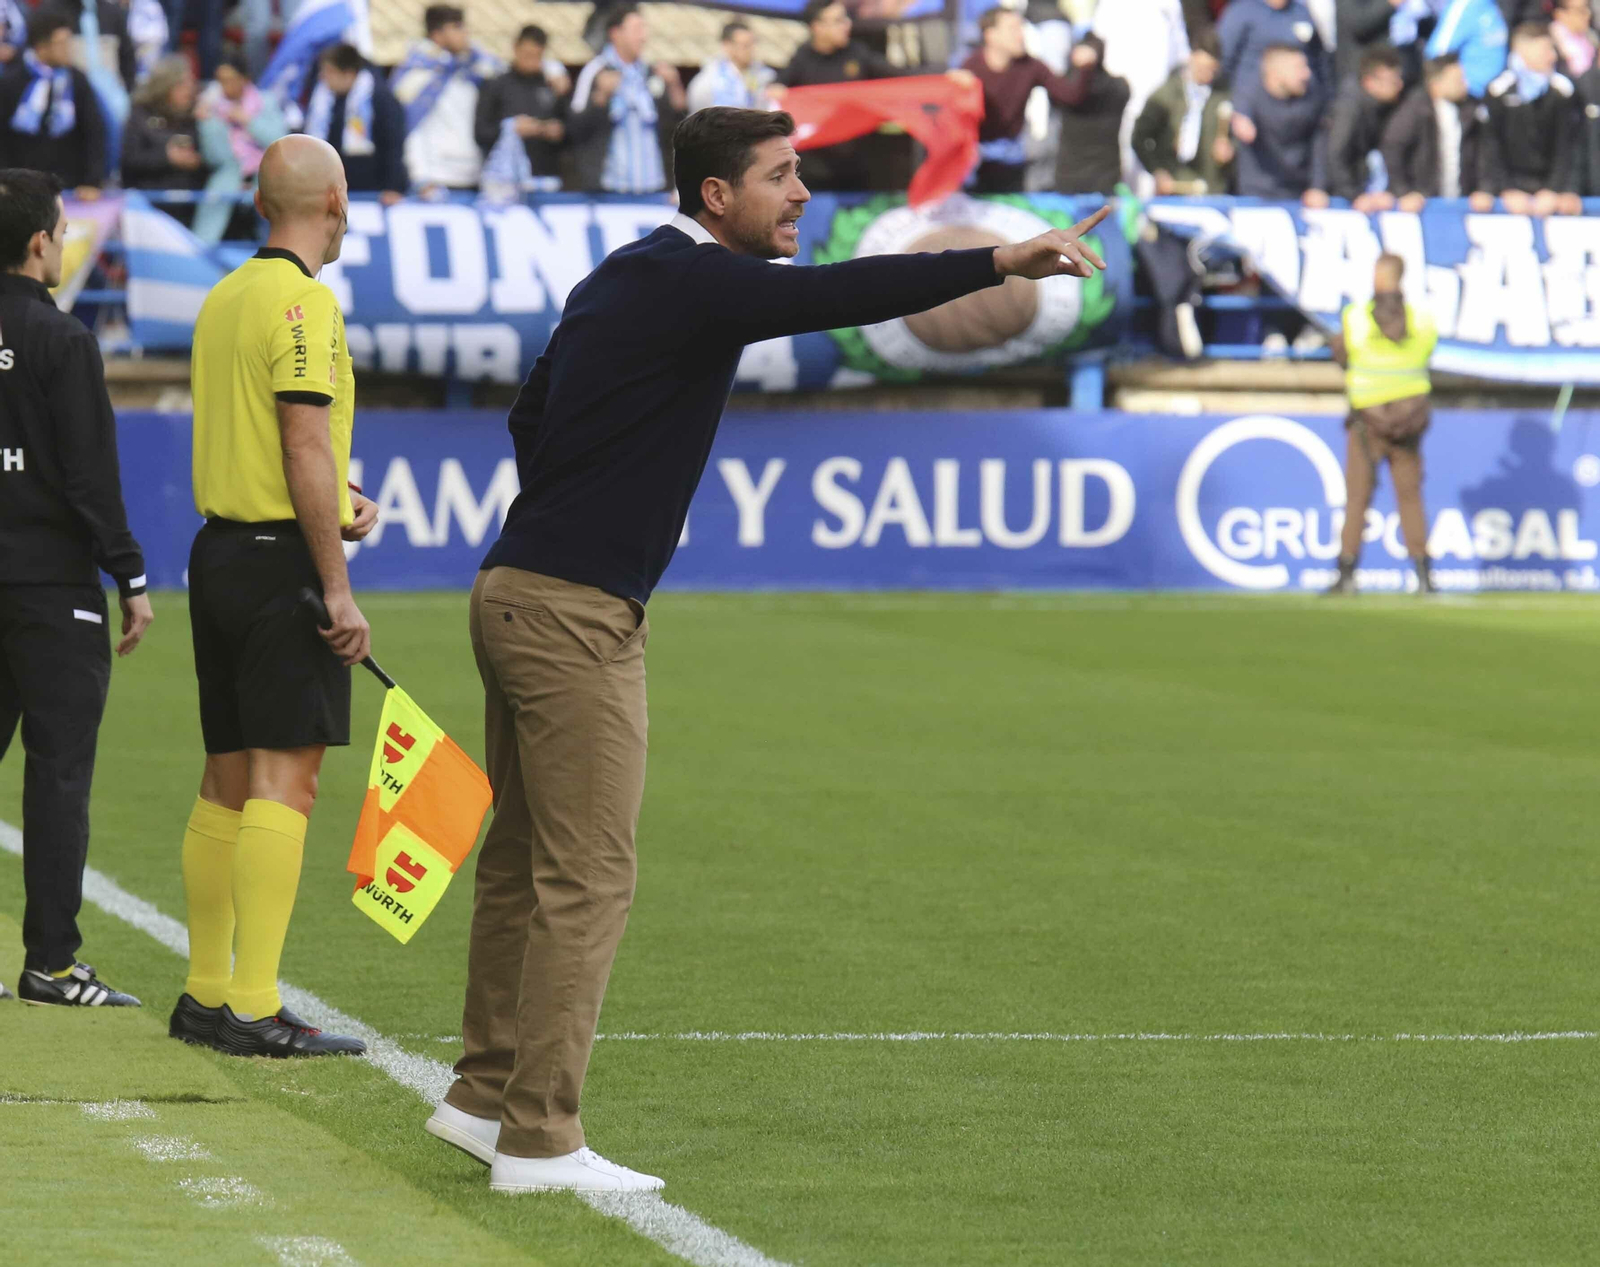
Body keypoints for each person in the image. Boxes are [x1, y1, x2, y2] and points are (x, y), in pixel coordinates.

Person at [423, 105, 1110, 1195]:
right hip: (572, 613)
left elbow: (529, 413)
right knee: (587, 874)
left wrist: (577, 496)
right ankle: (539, 1139)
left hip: (513, 586)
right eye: (781, 176)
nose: (800, 194)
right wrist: (997, 259)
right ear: (716, 196)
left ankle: (481, 1095)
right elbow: (838, 295)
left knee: (520, 861)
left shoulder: (624, 273)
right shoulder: (698, 281)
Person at [169, 134, 379, 1058]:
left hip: (218, 553)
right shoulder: (307, 302)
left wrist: (339, 494)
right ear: (335, 200)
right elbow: (298, 440)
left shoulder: (225, 295)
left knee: (225, 775)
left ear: (260, 203)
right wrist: (336, 586)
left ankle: (205, 992)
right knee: (287, 779)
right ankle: (254, 1006)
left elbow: (279, 440)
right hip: (277, 563)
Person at [0, 167, 152, 1007]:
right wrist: (130, 574)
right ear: (38, 244)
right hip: (53, 589)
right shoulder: (64, 341)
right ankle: (51, 965)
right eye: (60, 231)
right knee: (57, 774)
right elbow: (91, 477)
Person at [1327, 253, 1439, 595]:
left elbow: (1341, 354)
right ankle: (1423, 576)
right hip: (1410, 418)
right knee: (1410, 496)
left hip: (1367, 419)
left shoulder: (1356, 317)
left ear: (1377, 276)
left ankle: (1346, 574)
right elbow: (1427, 353)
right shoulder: (1421, 318)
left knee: (1358, 496)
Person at [768, 0, 913, 190]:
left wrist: (942, 78)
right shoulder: (802, 58)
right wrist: (777, 91)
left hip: (857, 168)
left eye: (846, 18)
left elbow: (900, 76)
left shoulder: (857, 53)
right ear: (818, 27)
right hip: (812, 172)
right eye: (838, 20)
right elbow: (776, 90)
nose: (847, 24)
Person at [962, 6, 1082, 194]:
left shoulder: (1030, 66)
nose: (1021, 35)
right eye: (1013, 29)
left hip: (1013, 161)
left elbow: (1070, 95)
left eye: (1021, 28)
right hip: (972, 165)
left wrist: (1085, 66)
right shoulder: (970, 68)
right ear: (991, 35)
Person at [569, 6, 684, 195]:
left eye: (644, 29)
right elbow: (573, 127)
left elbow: (676, 125)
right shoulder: (595, 70)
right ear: (616, 33)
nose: (643, 37)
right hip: (609, 189)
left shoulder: (651, 72)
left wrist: (674, 86)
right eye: (637, 29)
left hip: (653, 186)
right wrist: (600, 98)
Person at [393, 5, 503, 194]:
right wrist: (420, 177)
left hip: (475, 176)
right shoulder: (417, 75)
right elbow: (409, 128)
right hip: (434, 179)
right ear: (437, 34)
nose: (465, 33)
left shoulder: (473, 69)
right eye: (457, 27)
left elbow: (512, 72)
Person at [0, 10, 107, 196]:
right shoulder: (11, 81)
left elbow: (94, 131)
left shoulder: (77, 80)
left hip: (68, 185)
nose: (68, 48)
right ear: (41, 47)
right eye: (62, 43)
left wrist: (93, 181)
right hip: (18, 186)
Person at [1482, 22, 1582, 215]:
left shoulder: (1563, 91)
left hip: (1551, 191)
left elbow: (1568, 147)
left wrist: (1555, 189)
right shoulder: (1497, 91)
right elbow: (1490, 145)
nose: (1553, 56)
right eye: (1546, 50)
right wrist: (1506, 189)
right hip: (1511, 191)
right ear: (1522, 52)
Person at [1381, 53, 1493, 209]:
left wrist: (1485, 189)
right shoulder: (1414, 110)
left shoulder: (1473, 110)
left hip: (1462, 203)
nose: (1465, 85)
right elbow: (1393, 148)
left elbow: (1486, 153)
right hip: (1424, 205)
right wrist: (1403, 192)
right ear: (1436, 84)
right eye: (1457, 80)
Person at [194, 56, 287, 243]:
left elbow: (280, 141)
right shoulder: (211, 107)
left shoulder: (266, 101)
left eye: (229, 79)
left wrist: (247, 121)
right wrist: (206, 124)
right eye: (220, 80)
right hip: (229, 176)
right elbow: (214, 157)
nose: (224, 85)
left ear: (245, 79)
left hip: (265, 175)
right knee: (210, 220)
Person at [1133, 31, 1236, 195]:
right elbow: (1139, 137)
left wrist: (1230, 148)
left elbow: (1236, 136)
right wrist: (1157, 170)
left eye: (1212, 70)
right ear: (1191, 58)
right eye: (1202, 68)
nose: (1207, 75)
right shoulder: (1165, 95)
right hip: (1174, 185)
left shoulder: (1223, 96)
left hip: (1211, 188)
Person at [305, 43, 407, 205]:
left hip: (373, 191)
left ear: (348, 74)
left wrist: (393, 186)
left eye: (329, 72)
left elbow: (393, 145)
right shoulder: (324, 101)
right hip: (336, 189)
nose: (323, 77)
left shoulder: (380, 98)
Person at [1231, 43, 1331, 203]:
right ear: (1275, 73)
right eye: (1299, 68)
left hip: (1300, 194)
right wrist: (1241, 122)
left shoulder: (1312, 96)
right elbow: (1240, 113)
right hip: (1255, 194)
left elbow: (1319, 143)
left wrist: (1318, 187)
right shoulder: (1250, 93)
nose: (1307, 73)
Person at [474, 24, 568, 191]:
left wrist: (555, 130)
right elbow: (481, 132)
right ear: (516, 48)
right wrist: (511, 128)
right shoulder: (496, 85)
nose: (531, 61)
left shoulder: (552, 85)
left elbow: (572, 130)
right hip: (504, 182)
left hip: (545, 179)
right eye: (527, 55)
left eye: (536, 56)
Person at [1326, 45, 1406, 209]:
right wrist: (1354, 195)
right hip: (1340, 199)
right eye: (1393, 81)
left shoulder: (1384, 106)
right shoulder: (1348, 109)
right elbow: (1336, 153)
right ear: (1369, 82)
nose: (1400, 85)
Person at [1052, 34, 1132, 195]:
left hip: (1092, 179)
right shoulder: (1117, 87)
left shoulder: (1066, 87)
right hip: (1089, 179)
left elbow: (1069, 92)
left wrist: (1083, 70)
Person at [121, 54, 208, 191]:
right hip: (148, 196)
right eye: (181, 84)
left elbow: (216, 161)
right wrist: (167, 158)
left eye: (191, 83)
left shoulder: (197, 117)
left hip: (191, 196)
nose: (189, 90)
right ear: (164, 86)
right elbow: (129, 160)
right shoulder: (140, 114)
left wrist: (198, 161)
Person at [1219, 0, 1333, 106]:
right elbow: (1223, 58)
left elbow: (1319, 60)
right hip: (1252, 104)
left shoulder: (1301, 12)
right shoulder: (1242, 11)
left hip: (1303, 105)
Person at [686, 21, 774, 113]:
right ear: (727, 45)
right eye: (745, 45)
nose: (751, 50)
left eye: (753, 44)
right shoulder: (709, 80)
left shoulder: (763, 75)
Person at [1551, 0, 1599, 77]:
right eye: (1580, 10)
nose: (1588, 14)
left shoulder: (1592, 36)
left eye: (1588, 7)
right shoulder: (1553, 45)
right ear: (1560, 14)